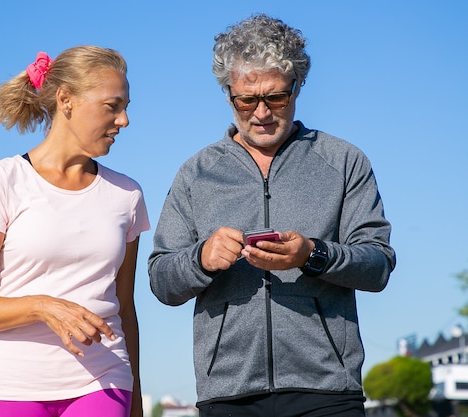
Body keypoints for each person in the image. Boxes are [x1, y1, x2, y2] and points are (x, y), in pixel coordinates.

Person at [148, 14, 396, 417]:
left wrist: (313, 254)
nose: (261, 112)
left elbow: (378, 265)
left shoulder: (344, 161)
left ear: (297, 87)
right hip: (228, 394)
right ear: (228, 95)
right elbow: (161, 280)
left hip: (328, 392)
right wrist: (201, 259)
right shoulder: (195, 173)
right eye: (247, 100)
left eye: (276, 97)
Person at [0, 46, 149, 417]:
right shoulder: (2, 181)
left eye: (126, 107)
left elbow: (125, 306)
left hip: (104, 382)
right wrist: (42, 306)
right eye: (112, 106)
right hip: (7, 386)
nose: (124, 120)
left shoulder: (128, 195)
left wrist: (135, 398)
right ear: (66, 100)